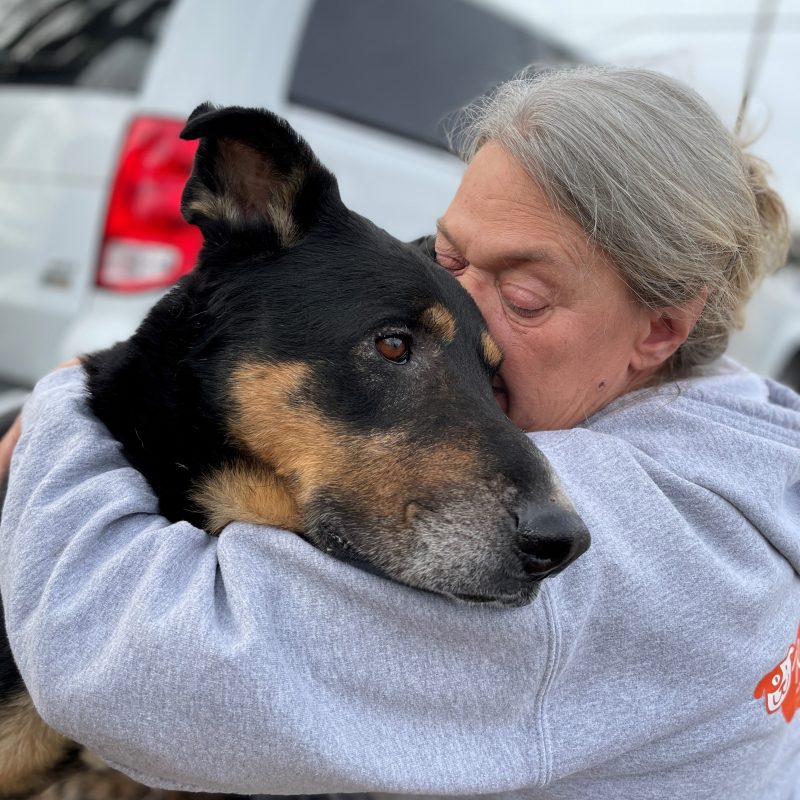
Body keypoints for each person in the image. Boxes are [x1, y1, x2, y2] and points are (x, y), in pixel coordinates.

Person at [1, 65, 799, 799]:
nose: (468, 316)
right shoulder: (734, 442)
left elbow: (127, 671)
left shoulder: (597, 556)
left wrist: (58, 413)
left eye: (523, 296)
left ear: (659, 330)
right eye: (447, 260)